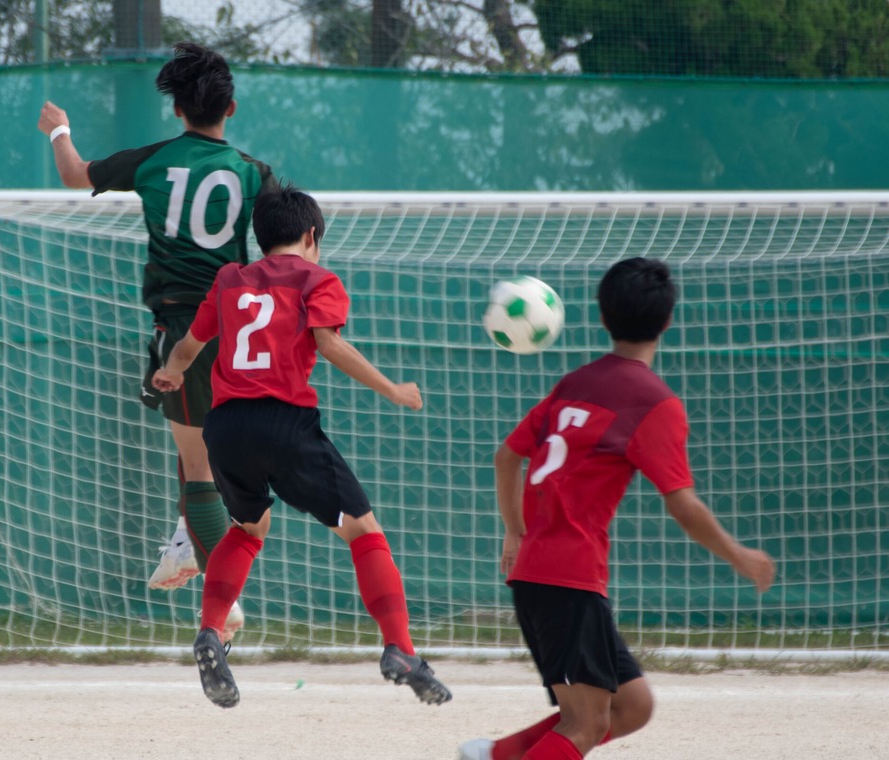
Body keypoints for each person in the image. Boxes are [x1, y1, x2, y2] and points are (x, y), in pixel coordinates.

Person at [458, 258, 776, 760]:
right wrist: (738, 555)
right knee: (585, 724)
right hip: (568, 576)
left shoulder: (575, 383)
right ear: (668, 322)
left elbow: (507, 456)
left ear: (603, 319)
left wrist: (515, 532)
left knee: (632, 705)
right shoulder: (655, 402)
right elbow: (683, 504)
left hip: (543, 573)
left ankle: (493, 755)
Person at [152, 185, 453, 709]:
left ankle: (210, 632)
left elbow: (189, 346)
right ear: (312, 235)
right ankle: (401, 650)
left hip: (223, 427)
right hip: (284, 423)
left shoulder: (229, 280)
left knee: (248, 528)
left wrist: (172, 372)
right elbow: (330, 343)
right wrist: (393, 390)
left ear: (260, 237)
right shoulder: (319, 280)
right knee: (363, 532)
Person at [37, 41, 275, 639]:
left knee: (198, 464)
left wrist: (59, 128)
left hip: (183, 331)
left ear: (178, 110)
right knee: (209, 450)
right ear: (232, 108)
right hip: (242, 331)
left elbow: (72, 173)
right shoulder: (254, 172)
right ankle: (185, 542)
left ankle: (225, 598)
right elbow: (286, 245)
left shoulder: (155, 161)